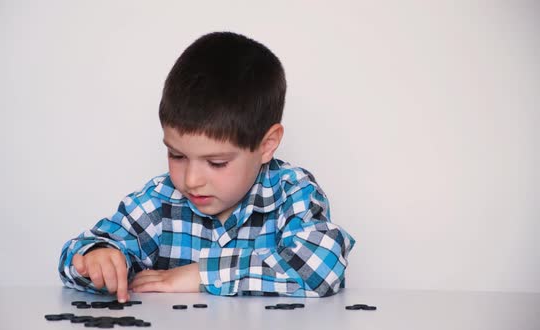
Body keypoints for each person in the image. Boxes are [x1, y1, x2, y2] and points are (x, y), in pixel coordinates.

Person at [58, 31, 355, 302]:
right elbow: (81, 252)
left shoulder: (292, 193)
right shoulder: (160, 200)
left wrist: (201, 274)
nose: (191, 180)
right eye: (176, 155)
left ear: (267, 145)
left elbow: (321, 268)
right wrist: (98, 257)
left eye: (216, 162)